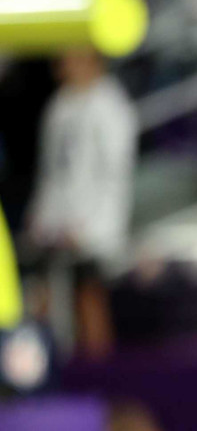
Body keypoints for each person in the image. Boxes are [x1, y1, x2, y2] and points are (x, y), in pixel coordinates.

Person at [25, 48, 137, 359]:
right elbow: (51, 170)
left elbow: (115, 172)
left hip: (96, 223)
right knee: (45, 295)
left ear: (91, 60)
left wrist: (94, 227)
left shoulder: (111, 106)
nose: (63, 65)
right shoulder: (59, 106)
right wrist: (43, 215)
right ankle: (48, 370)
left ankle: (98, 374)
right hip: (59, 218)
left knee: (89, 294)